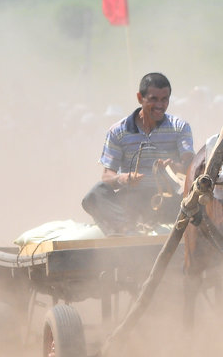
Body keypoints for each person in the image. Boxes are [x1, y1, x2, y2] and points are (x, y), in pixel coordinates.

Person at [81, 72, 195, 235]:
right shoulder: (118, 131)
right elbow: (107, 176)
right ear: (140, 98)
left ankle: (126, 229)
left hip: (165, 200)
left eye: (164, 100)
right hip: (131, 202)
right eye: (153, 99)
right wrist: (123, 178)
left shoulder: (180, 128)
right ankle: (127, 229)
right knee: (95, 195)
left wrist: (174, 167)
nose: (160, 105)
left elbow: (190, 165)